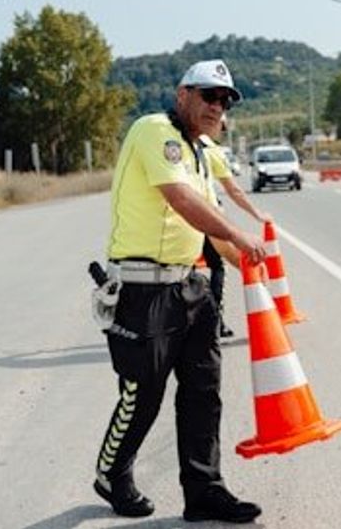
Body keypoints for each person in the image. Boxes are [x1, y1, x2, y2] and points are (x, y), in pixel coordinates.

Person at [93, 59, 267, 523]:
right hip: (141, 289)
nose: (217, 106)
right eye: (209, 95)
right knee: (142, 393)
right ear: (182, 94)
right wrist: (244, 236)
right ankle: (113, 471)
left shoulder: (199, 151)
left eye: (225, 99)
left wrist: (247, 262)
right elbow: (183, 202)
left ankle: (205, 490)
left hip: (191, 286)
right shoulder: (154, 131)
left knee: (203, 391)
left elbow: (210, 230)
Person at [198, 119, 271, 338]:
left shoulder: (182, 142)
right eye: (223, 127)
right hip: (209, 216)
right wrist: (257, 214)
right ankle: (217, 322)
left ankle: (200, 324)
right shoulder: (211, 150)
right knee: (228, 266)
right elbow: (234, 191)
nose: (223, 132)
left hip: (179, 219)